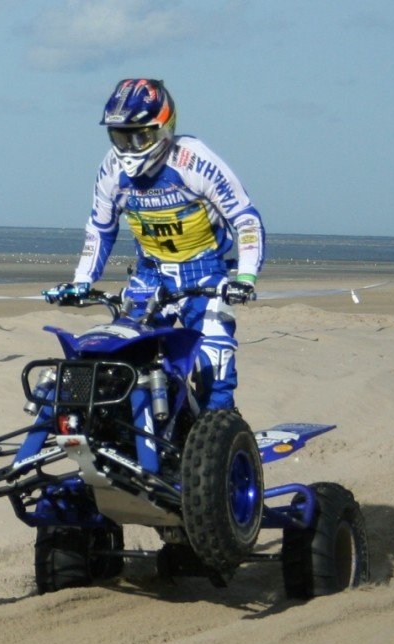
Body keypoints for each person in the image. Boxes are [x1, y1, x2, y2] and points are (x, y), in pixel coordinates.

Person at [44, 78, 265, 411]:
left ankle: (220, 439)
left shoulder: (194, 160)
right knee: (121, 356)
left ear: (164, 127)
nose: (131, 147)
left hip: (205, 277)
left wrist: (245, 278)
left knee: (214, 367)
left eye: (141, 136)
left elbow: (245, 219)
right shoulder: (111, 169)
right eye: (121, 136)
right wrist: (81, 283)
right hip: (149, 276)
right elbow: (101, 228)